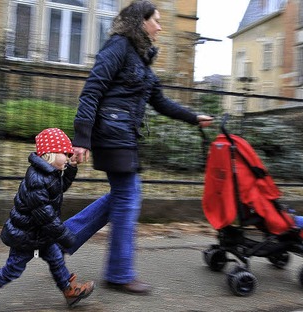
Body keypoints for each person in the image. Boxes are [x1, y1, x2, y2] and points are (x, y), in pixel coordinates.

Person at [63, 0, 214, 296]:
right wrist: (82, 137)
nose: (160, 26)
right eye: (155, 20)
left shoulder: (141, 60)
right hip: (111, 132)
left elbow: (160, 102)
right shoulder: (118, 46)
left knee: (122, 196)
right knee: (128, 198)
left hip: (124, 135)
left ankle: (61, 240)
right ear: (140, 22)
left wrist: (194, 118)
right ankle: (118, 273)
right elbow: (92, 89)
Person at [0, 128, 94, 311]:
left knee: (56, 258)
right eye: (65, 153)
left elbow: (60, 188)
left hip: (40, 234)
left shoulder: (50, 173)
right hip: (26, 236)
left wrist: (72, 167)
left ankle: (69, 292)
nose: (68, 155)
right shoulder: (37, 181)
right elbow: (45, 216)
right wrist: (65, 235)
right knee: (13, 269)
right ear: (50, 155)